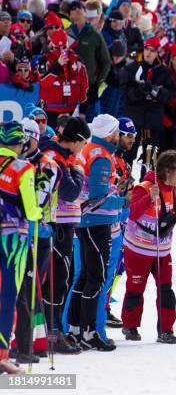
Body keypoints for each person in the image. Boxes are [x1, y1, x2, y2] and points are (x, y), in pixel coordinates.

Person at [121, 150, 176, 344]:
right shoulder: (145, 188)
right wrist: (149, 198)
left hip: (162, 251)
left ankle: (166, 330)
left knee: (166, 289)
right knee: (135, 289)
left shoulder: (175, 190)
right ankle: (130, 326)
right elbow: (133, 213)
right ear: (167, 170)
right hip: (138, 250)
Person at [66, 114, 126, 352]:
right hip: (97, 223)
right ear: (111, 133)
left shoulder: (91, 149)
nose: (119, 136)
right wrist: (123, 201)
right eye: (118, 132)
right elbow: (98, 198)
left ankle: (75, 328)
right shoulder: (101, 155)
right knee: (96, 278)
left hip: (87, 221)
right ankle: (89, 332)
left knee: (85, 277)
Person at [39, 117, 91, 354]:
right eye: (84, 142)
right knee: (57, 280)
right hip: (55, 224)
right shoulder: (56, 156)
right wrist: (78, 170)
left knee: (62, 278)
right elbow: (70, 192)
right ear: (77, 140)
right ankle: (51, 333)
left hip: (65, 224)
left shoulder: (65, 156)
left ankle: (55, 329)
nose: (84, 148)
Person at [12, 118, 59, 364]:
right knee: (19, 290)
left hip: (39, 235)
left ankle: (30, 343)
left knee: (29, 291)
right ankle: (24, 342)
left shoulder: (46, 165)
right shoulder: (16, 163)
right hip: (16, 235)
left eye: (26, 137)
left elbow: (38, 201)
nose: (21, 142)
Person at [0, 121, 42, 374]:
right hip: (12, 239)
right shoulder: (22, 167)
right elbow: (30, 208)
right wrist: (40, 212)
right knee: (7, 296)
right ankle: (2, 354)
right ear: (20, 143)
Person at [121, 36, 176, 179]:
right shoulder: (132, 67)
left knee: (150, 156)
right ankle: (124, 186)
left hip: (153, 120)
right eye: (146, 49)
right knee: (128, 153)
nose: (148, 53)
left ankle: (147, 186)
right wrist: (140, 91)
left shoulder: (163, 71)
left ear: (157, 52)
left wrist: (155, 91)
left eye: (152, 50)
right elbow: (126, 94)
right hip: (134, 119)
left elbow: (170, 95)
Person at [104, 117, 137, 331]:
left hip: (123, 219)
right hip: (111, 219)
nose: (132, 140)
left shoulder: (123, 160)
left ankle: (105, 305)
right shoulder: (111, 159)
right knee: (109, 266)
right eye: (128, 136)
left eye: (134, 136)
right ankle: (102, 307)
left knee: (119, 267)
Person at [67, 0, 111, 123]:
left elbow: (106, 62)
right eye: (72, 9)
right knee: (67, 126)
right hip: (69, 88)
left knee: (92, 126)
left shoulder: (95, 35)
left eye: (78, 8)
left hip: (89, 89)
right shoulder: (67, 34)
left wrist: (97, 84)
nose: (76, 12)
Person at [38, 29, 89, 130]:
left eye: (64, 47)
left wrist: (83, 111)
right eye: (57, 48)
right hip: (51, 110)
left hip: (72, 110)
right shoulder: (45, 60)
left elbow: (85, 87)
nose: (62, 51)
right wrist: (57, 65)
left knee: (69, 141)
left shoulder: (77, 61)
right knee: (51, 139)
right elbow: (43, 82)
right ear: (52, 45)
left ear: (68, 44)